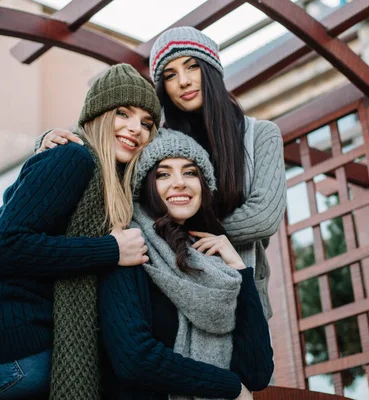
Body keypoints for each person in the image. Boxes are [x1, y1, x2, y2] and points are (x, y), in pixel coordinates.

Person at [0, 63, 161, 400]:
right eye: (123, 113)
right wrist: (111, 249)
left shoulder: (111, 185)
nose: (135, 129)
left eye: (147, 124)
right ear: (97, 116)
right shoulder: (73, 159)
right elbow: (6, 246)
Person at [37, 26, 286, 320]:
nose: (183, 81)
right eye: (169, 75)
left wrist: (177, 230)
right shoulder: (158, 141)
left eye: (192, 66)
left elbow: (263, 217)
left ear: (212, 70)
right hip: (171, 288)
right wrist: (50, 139)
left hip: (240, 284)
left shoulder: (260, 136)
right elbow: (108, 157)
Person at [98, 128, 274, 399]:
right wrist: (228, 386)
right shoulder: (129, 247)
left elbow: (257, 372)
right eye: (164, 174)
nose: (180, 183)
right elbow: (134, 359)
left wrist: (240, 270)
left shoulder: (214, 263)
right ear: (145, 186)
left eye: (190, 172)